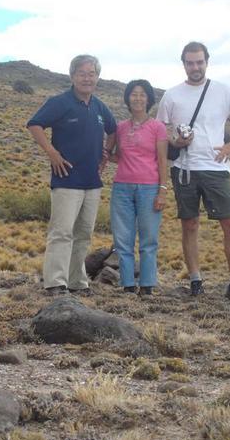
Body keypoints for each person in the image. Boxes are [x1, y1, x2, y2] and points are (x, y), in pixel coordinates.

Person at [156, 41, 230, 300]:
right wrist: (176, 142)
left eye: (199, 62)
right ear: (183, 64)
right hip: (185, 168)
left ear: (207, 62)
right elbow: (160, 132)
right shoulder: (171, 95)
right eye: (190, 62)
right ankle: (195, 281)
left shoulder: (222, 91)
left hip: (216, 167)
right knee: (190, 224)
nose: (195, 67)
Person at [27, 55, 117, 295]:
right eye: (82, 73)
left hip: (92, 182)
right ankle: (55, 282)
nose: (87, 78)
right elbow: (35, 125)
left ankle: (77, 281)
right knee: (62, 232)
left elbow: (113, 129)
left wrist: (106, 153)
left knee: (83, 235)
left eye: (91, 73)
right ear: (72, 76)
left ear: (97, 77)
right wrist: (52, 153)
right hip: (66, 179)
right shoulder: (60, 102)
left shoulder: (99, 106)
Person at [108, 80, 168, 297]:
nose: (138, 98)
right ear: (127, 98)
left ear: (149, 99)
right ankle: (127, 284)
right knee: (123, 238)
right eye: (134, 94)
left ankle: (147, 285)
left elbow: (162, 160)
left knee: (148, 238)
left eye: (143, 95)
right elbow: (116, 155)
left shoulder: (157, 127)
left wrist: (162, 189)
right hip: (122, 187)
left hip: (149, 188)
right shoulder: (120, 127)